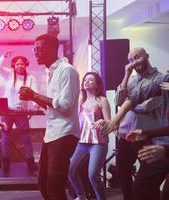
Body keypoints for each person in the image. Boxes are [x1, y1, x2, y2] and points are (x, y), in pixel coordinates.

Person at [94, 47, 169, 200]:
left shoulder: (160, 79)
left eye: (137, 58)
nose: (133, 63)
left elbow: (148, 105)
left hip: (146, 136)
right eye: (130, 60)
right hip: (126, 135)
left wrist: (126, 107)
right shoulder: (132, 79)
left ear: (146, 56)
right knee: (123, 174)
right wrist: (127, 75)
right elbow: (118, 100)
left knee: (149, 180)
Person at [19, 34, 80, 200]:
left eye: (40, 49)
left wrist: (34, 95)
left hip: (64, 133)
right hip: (52, 134)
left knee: (54, 184)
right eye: (35, 49)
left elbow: (65, 106)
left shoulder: (66, 70)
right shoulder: (51, 72)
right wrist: (33, 98)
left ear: (53, 49)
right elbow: (52, 107)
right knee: (43, 183)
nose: (36, 53)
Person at [68, 72, 110, 200]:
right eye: (85, 80)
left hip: (98, 143)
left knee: (93, 175)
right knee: (71, 171)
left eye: (91, 80)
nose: (86, 82)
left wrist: (103, 121)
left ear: (97, 85)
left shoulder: (102, 100)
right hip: (82, 142)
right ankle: (81, 196)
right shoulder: (81, 101)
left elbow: (110, 121)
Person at [0, 50, 38, 171]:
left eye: (22, 64)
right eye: (17, 64)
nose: (20, 66)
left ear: (26, 65)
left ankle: (30, 162)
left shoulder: (30, 78)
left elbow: (34, 93)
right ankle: (5, 162)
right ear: (13, 65)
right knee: (5, 137)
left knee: (25, 138)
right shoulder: (9, 74)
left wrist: (34, 106)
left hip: (21, 112)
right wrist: (4, 56)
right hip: (7, 111)